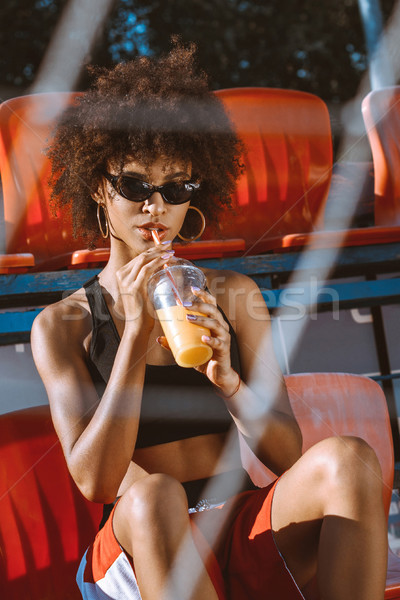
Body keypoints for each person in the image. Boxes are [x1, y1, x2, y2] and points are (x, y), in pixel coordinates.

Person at [31, 42, 387, 600]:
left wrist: (231, 384)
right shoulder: (63, 324)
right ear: (102, 187)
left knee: (350, 460)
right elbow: (95, 482)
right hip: (139, 541)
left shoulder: (231, 295)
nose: (156, 207)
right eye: (135, 185)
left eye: (175, 188)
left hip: (233, 521)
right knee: (156, 495)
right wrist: (132, 341)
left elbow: (286, 456)